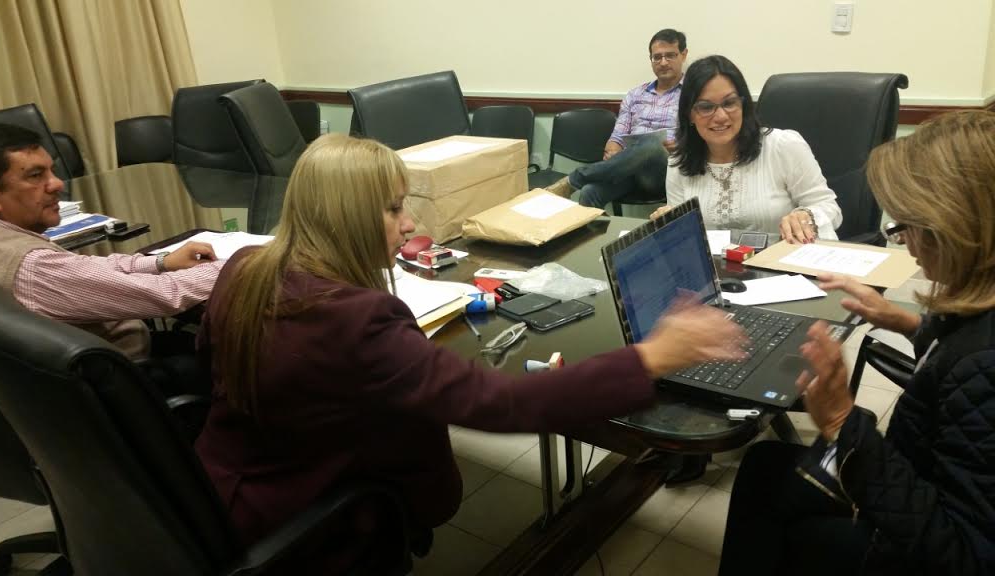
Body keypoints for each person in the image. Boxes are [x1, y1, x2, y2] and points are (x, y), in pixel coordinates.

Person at [194, 133, 748, 570]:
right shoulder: (359, 321)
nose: (409, 224)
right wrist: (649, 358)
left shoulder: (243, 269)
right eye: (393, 209)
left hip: (212, 498)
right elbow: (501, 402)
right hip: (308, 521)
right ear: (346, 217)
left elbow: (209, 366)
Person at [718, 110, 995, 576]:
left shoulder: (984, 364)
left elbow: (961, 555)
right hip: (918, 473)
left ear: (955, 228)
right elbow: (957, 360)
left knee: (770, 490)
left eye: (907, 226)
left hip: (904, 545)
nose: (905, 243)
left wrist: (842, 422)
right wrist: (907, 323)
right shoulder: (979, 311)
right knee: (765, 465)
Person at [0, 123, 222, 362]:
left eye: (51, 171)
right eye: (36, 175)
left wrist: (160, 262)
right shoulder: (34, 265)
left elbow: (81, 269)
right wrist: (237, 263)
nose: (57, 183)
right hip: (124, 376)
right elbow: (165, 294)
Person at [650, 55, 842, 244]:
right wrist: (671, 224)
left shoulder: (783, 146)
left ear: (743, 105)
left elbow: (829, 208)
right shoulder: (679, 163)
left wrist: (806, 215)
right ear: (689, 114)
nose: (721, 116)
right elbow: (686, 239)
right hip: (716, 264)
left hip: (784, 261)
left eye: (729, 103)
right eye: (706, 107)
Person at [571, 28, 687, 209]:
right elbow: (618, 135)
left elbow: (701, 141)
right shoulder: (635, 94)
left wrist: (680, 147)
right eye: (657, 57)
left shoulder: (693, 94)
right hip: (629, 171)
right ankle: (595, 226)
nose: (663, 62)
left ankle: (576, 177)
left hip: (668, 172)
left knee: (652, 144)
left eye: (670, 55)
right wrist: (612, 150)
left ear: (683, 55)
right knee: (589, 191)